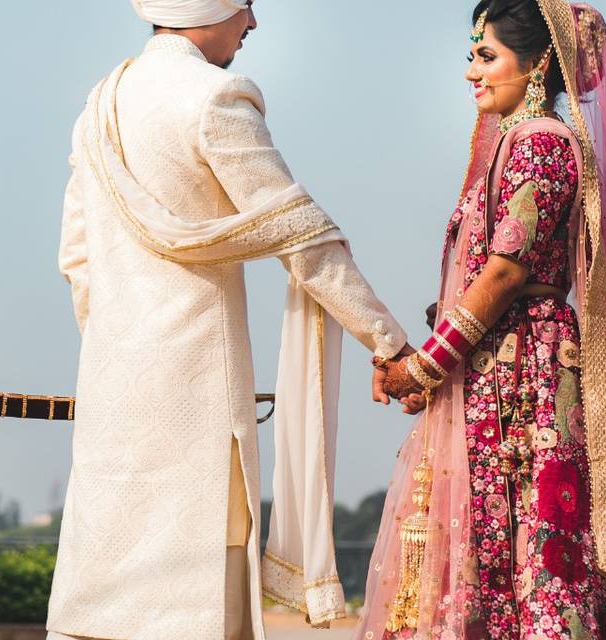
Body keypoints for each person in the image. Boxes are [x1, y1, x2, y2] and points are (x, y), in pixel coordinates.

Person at [46, 2, 411, 638]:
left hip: (112, 393)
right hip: (198, 397)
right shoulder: (216, 99)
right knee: (193, 599)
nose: (253, 23)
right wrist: (390, 343)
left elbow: (77, 262)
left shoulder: (99, 106)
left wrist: (120, 351)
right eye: (245, 5)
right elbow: (306, 239)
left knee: (101, 591)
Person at [362, 0, 606, 638]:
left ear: (540, 61)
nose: (471, 73)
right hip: (494, 363)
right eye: (471, 56)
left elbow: (505, 273)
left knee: (533, 547)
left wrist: (428, 365)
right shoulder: (509, 142)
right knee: (488, 538)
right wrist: (427, 366)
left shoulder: (542, 142)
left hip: (527, 374)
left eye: (487, 56)